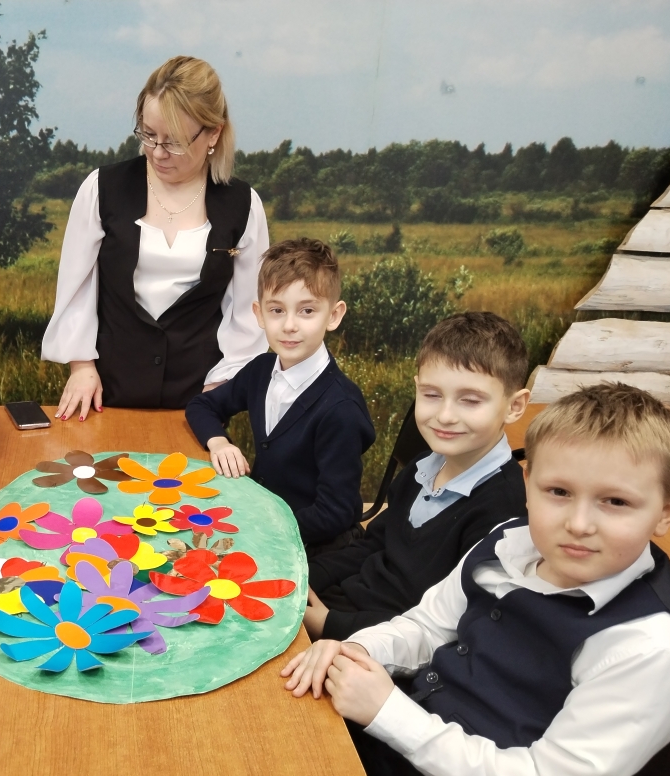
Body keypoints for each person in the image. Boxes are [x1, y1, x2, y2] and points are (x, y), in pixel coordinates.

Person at [282, 383, 670, 776]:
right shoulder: (510, 541)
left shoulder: (653, 649)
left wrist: (388, 713)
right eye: (558, 492)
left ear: (666, 511)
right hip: (391, 751)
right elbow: (427, 626)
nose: (579, 523)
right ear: (528, 483)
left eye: (616, 502)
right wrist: (360, 650)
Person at [43, 55, 269, 418]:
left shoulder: (244, 205)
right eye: (148, 134)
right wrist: (82, 367)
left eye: (174, 142)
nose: (158, 152)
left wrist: (222, 384)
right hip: (105, 391)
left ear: (214, 133)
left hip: (199, 398)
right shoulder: (101, 189)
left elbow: (248, 311)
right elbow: (77, 287)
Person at [303, 312, 531, 641]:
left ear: (515, 406)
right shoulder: (423, 466)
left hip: (380, 644)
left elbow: (447, 627)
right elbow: (374, 544)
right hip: (344, 606)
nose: (445, 415)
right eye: (432, 395)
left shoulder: (503, 512)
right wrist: (306, 578)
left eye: (470, 400)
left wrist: (329, 624)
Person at [185, 238, 375, 550]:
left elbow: (335, 513)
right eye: (277, 310)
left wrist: (260, 530)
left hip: (315, 545)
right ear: (259, 314)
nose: (289, 325)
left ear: (334, 315)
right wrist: (218, 442)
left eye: (307, 311)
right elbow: (202, 405)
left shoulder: (341, 409)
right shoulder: (260, 370)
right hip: (266, 520)